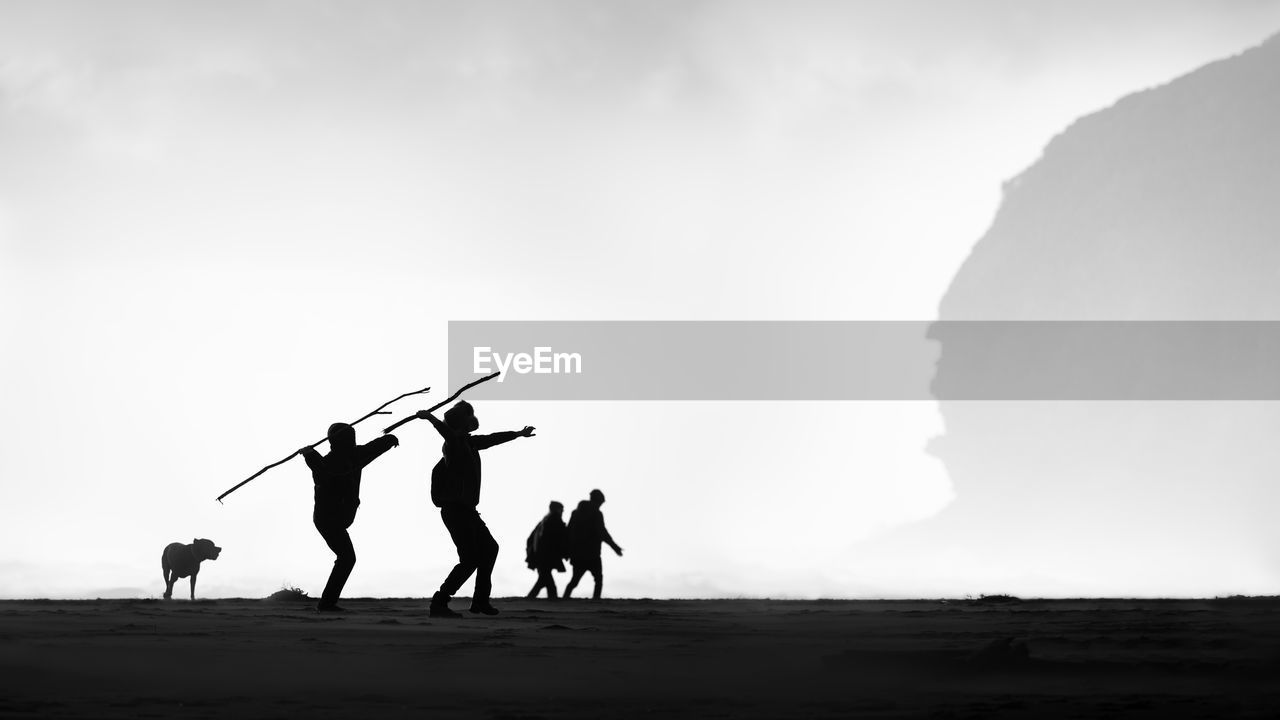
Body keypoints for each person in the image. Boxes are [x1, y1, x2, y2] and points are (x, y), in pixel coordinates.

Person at [418, 401, 535, 618]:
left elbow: (493, 439)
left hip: (467, 511)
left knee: (490, 549)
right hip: (456, 510)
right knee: (470, 559)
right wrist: (430, 419)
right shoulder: (454, 444)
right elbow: (448, 434)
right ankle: (440, 602)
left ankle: (480, 601)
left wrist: (518, 434)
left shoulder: (470, 443)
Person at [299, 423, 399, 612]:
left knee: (346, 558)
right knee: (346, 558)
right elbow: (324, 475)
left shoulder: (354, 456)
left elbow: (374, 448)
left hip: (337, 517)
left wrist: (389, 440)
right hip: (327, 518)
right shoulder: (329, 461)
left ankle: (327, 603)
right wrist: (310, 455)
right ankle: (327, 603)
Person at [564, 489, 623, 600]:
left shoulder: (576, 513)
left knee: (574, 581)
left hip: (577, 554)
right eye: (601, 502)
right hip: (592, 554)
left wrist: (568, 550)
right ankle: (596, 601)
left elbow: (568, 532)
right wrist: (615, 547)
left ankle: (564, 599)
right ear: (598, 501)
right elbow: (602, 532)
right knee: (598, 580)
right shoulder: (597, 514)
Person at [525, 501, 569, 599]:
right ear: (557, 509)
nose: (563, 511)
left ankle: (530, 599)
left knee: (544, 580)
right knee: (547, 582)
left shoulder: (544, 521)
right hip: (546, 557)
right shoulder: (554, 520)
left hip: (540, 556)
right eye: (561, 509)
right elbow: (558, 539)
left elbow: (530, 539)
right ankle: (531, 599)